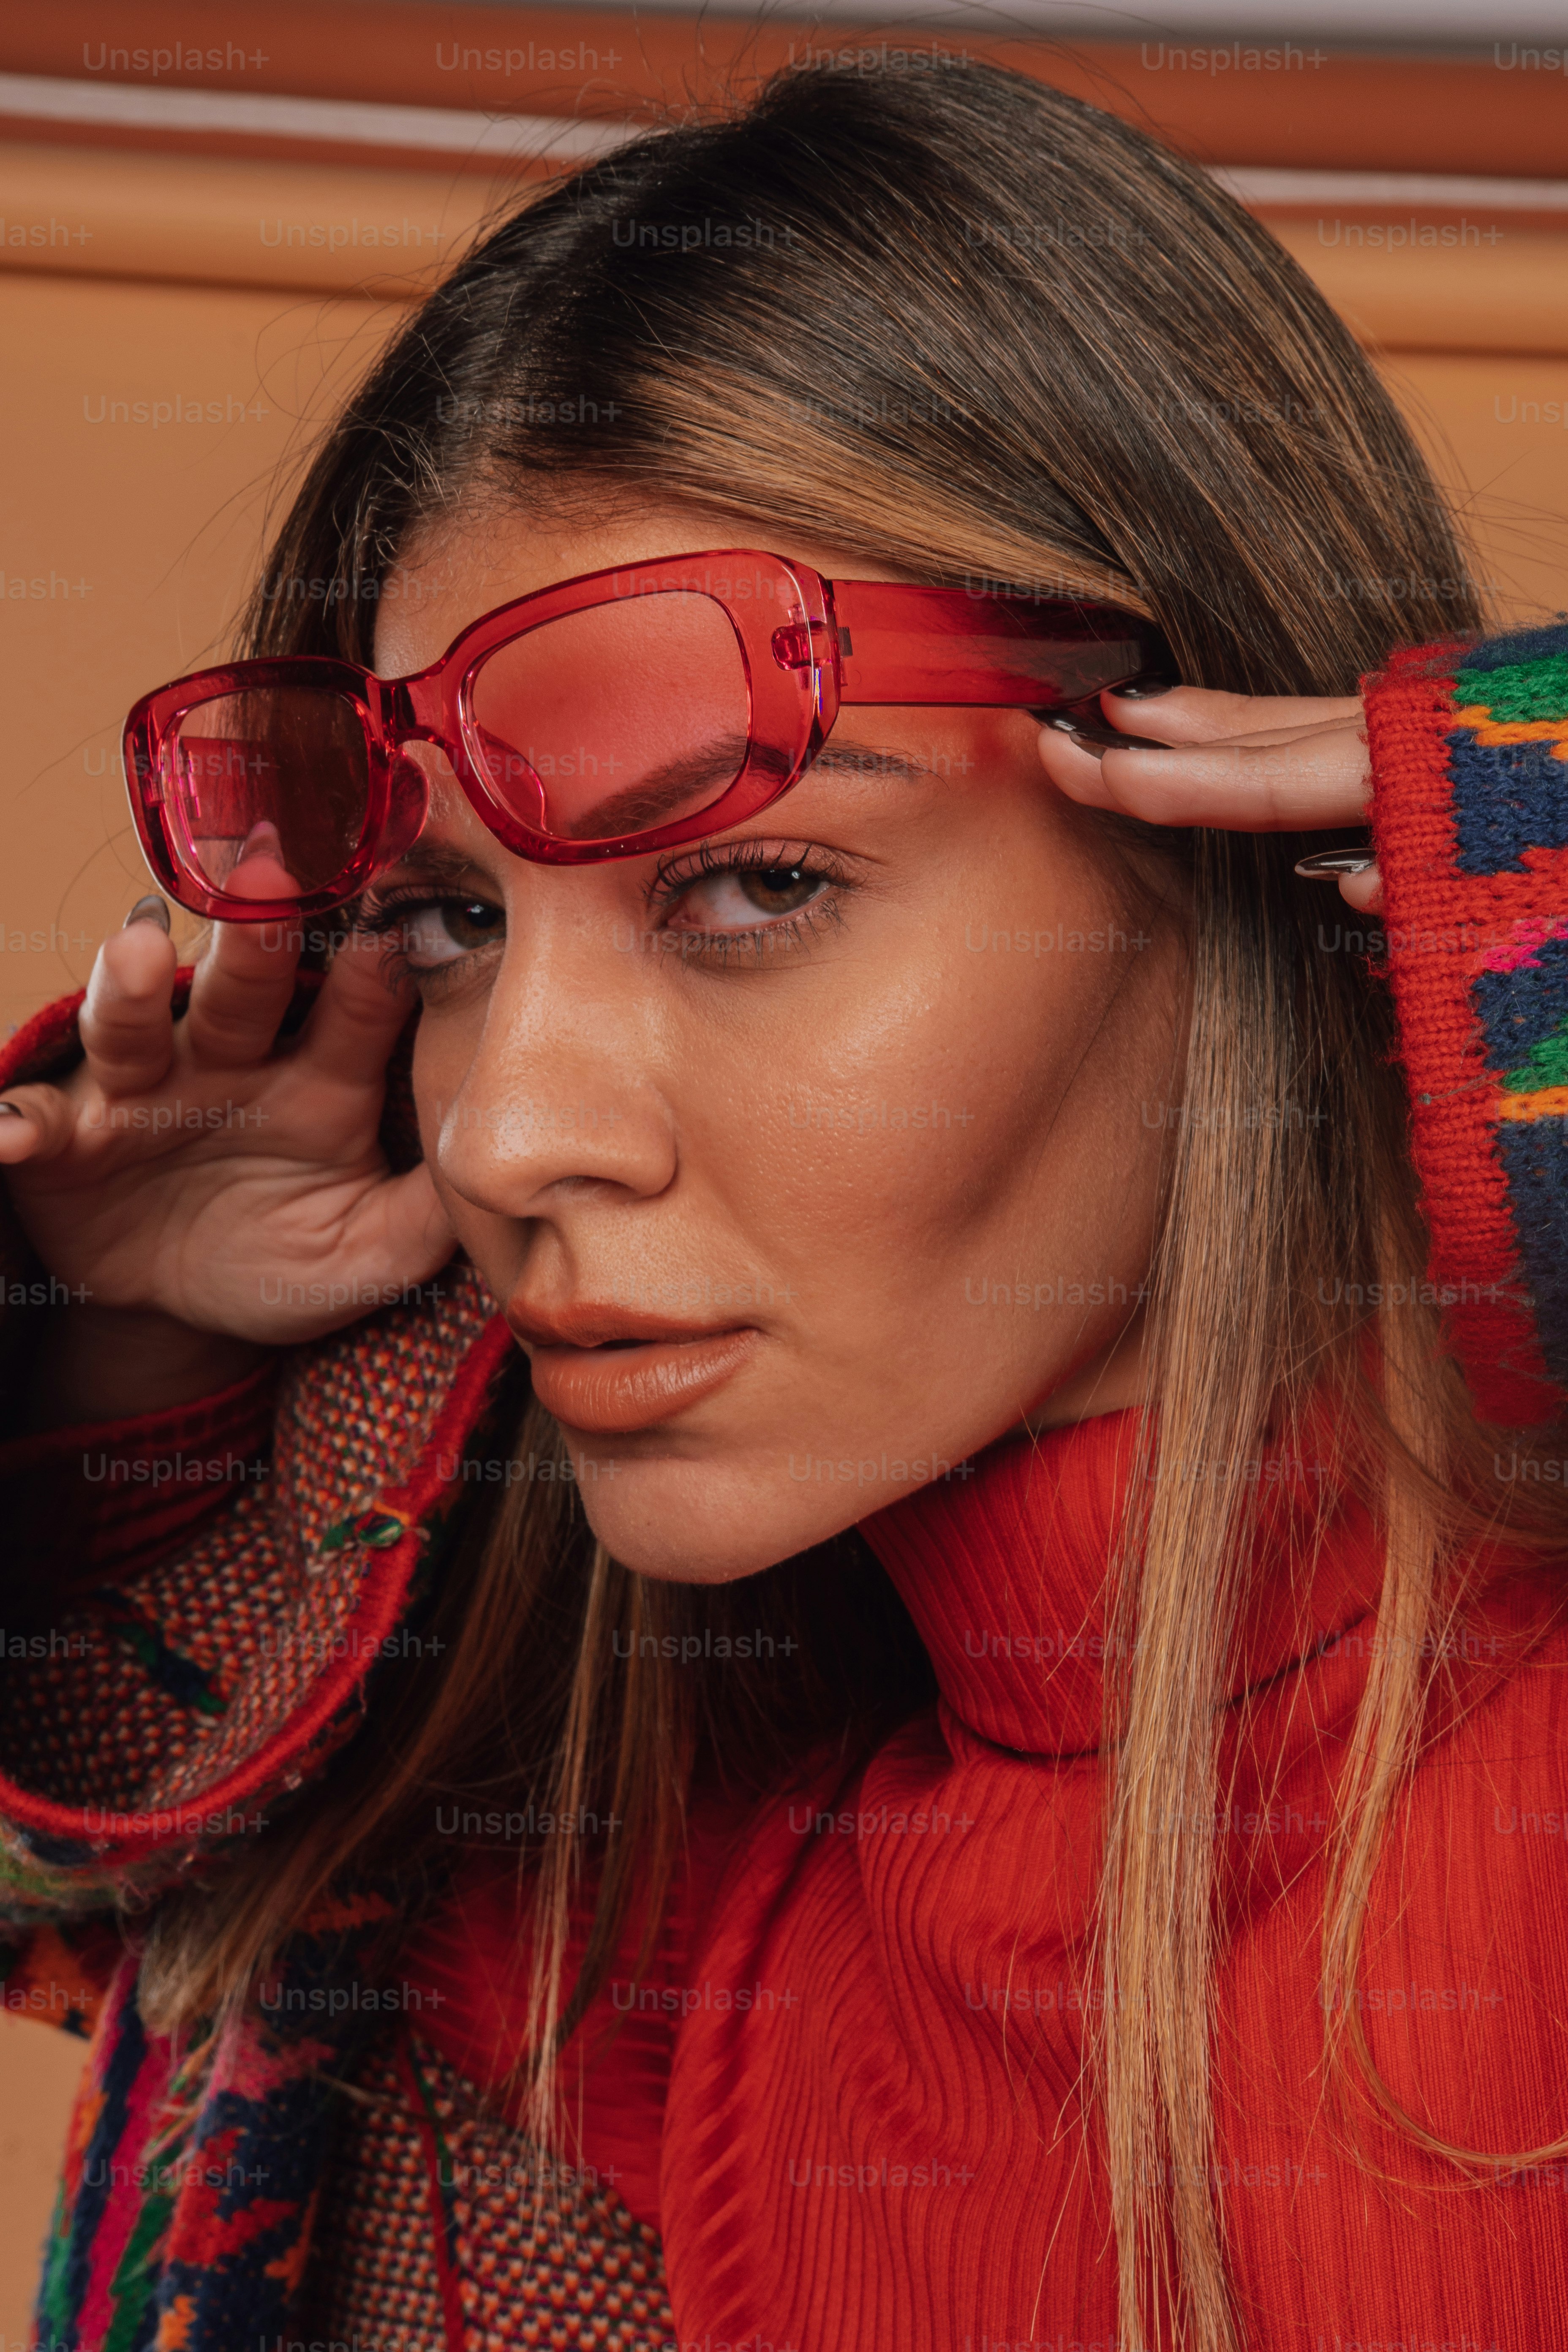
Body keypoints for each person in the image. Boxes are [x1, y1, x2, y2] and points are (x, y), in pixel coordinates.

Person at [3, 54, 1566, 2352]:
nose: (511, 1128)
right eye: (450, 929)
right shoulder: (616, 1990)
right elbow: (169, 1907)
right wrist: (142, 1395)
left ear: (1245, 830)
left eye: (750, 883)